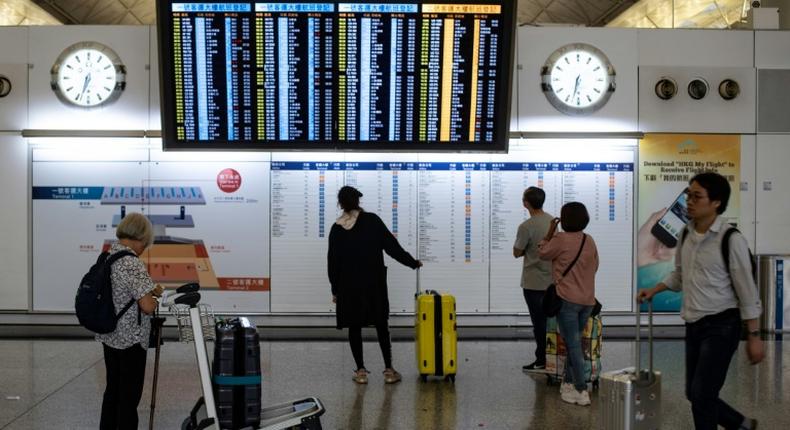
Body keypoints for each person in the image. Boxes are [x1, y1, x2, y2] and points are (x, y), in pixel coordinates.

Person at [638, 172, 763, 430]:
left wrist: (754, 336)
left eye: (697, 196)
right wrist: (655, 289)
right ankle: (741, 424)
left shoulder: (731, 240)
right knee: (694, 393)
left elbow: (748, 292)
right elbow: (680, 275)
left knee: (703, 395)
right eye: (688, 195)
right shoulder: (685, 235)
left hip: (722, 325)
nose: (689, 202)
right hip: (694, 324)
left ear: (716, 202)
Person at [328, 186, 422, 384]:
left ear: (341, 204)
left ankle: (360, 372)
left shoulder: (336, 228)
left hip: (348, 286)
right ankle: (389, 370)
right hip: (373, 284)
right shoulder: (372, 221)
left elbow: (332, 262)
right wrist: (412, 262)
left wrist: (335, 289)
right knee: (381, 324)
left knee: (354, 326)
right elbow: (392, 247)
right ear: (358, 202)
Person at [96, 213, 163, 430]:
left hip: (110, 335)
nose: (145, 248)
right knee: (128, 397)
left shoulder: (108, 256)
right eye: (146, 243)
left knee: (113, 391)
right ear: (140, 237)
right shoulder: (132, 262)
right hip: (131, 341)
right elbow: (147, 306)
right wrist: (154, 296)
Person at [538, 202, 599, 406]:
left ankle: (582, 390)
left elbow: (543, 253)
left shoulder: (560, 239)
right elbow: (595, 265)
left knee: (573, 345)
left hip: (567, 301)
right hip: (587, 301)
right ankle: (569, 383)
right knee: (575, 343)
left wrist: (549, 232)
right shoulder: (588, 240)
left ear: (564, 219)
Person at [513, 186, 554, 372]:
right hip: (551, 281)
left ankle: (541, 360)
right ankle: (551, 359)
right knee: (549, 322)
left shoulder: (526, 227)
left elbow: (517, 252)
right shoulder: (552, 221)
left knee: (538, 323)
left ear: (526, 203)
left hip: (533, 282)